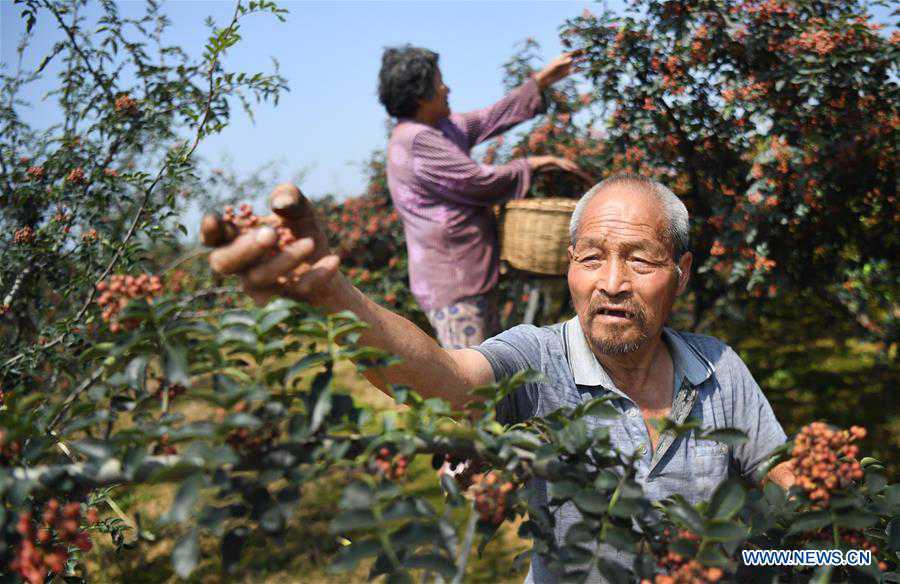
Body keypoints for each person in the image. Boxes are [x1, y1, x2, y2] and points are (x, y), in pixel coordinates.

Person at [202, 173, 794, 583]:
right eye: (591, 258)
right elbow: (448, 378)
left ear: (682, 272)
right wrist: (333, 295)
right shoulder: (537, 360)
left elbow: (789, 492)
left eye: (640, 259)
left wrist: (818, 560)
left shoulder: (718, 369)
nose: (612, 282)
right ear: (569, 267)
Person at [378, 45, 585, 349]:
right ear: (421, 96)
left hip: (469, 273)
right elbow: (476, 182)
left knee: (491, 368)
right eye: (439, 82)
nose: (446, 88)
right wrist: (532, 164)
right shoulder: (417, 140)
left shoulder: (438, 129)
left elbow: (489, 118)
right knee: (475, 380)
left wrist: (540, 81)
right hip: (453, 280)